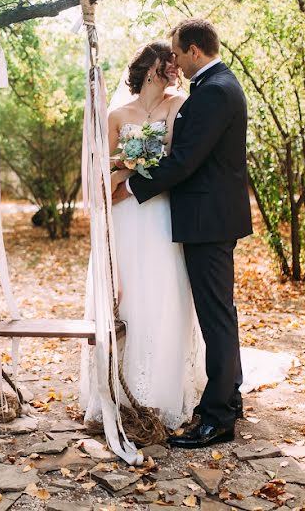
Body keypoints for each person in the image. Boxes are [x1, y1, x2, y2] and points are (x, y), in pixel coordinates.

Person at [110, 18, 253, 448]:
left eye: (178, 52)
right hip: (208, 217)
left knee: (216, 317)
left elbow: (186, 160)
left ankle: (217, 419)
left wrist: (131, 186)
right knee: (219, 313)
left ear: (193, 50)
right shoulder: (217, 86)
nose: (176, 62)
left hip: (208, 220)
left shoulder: (213, 92)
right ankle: (228, 396)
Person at [79, 39, 207, 435]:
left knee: (165, 290)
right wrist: (123, 168)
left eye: (177, 60)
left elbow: (176, 157)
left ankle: (163, 389)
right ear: (151, 67)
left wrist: (140, 168)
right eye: (169, 61)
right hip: (125, 214)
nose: (175, 66)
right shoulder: (118, 114)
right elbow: (103, 163)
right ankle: (120, 388)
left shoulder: (178, 105)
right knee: (129, 293)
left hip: (162, 209)